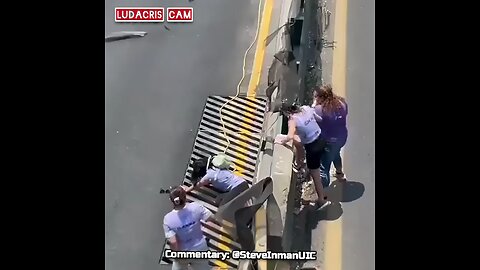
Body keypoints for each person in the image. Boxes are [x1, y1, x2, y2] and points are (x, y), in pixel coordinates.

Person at [278, 101, 331, 210]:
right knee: (301, 142)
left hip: (312, 147)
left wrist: (281, 141)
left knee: (315, 174)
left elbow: (289, 136)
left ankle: (321, 200)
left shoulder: (293, 119)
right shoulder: (306, 108)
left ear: (287, 113)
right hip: (321, 138)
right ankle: (301, 162)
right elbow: (318, 118)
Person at [163, 186, 214, 270]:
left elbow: (173, 241)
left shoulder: (168, 219)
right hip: (200, 248)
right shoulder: (196, 207)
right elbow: (211, 217)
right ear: (185, 196)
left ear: (171, 200)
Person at [313, 84, 348, 186]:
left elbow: (311, 118)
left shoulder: (320, 110)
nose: (315, 98)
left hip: (329, 142)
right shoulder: (341, 102)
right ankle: (339, 174)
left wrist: (314, 105)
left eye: (316, 97)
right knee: (336, 153)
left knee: (324, 167)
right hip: (342, 137)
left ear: (322, 97)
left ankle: (322, 190)